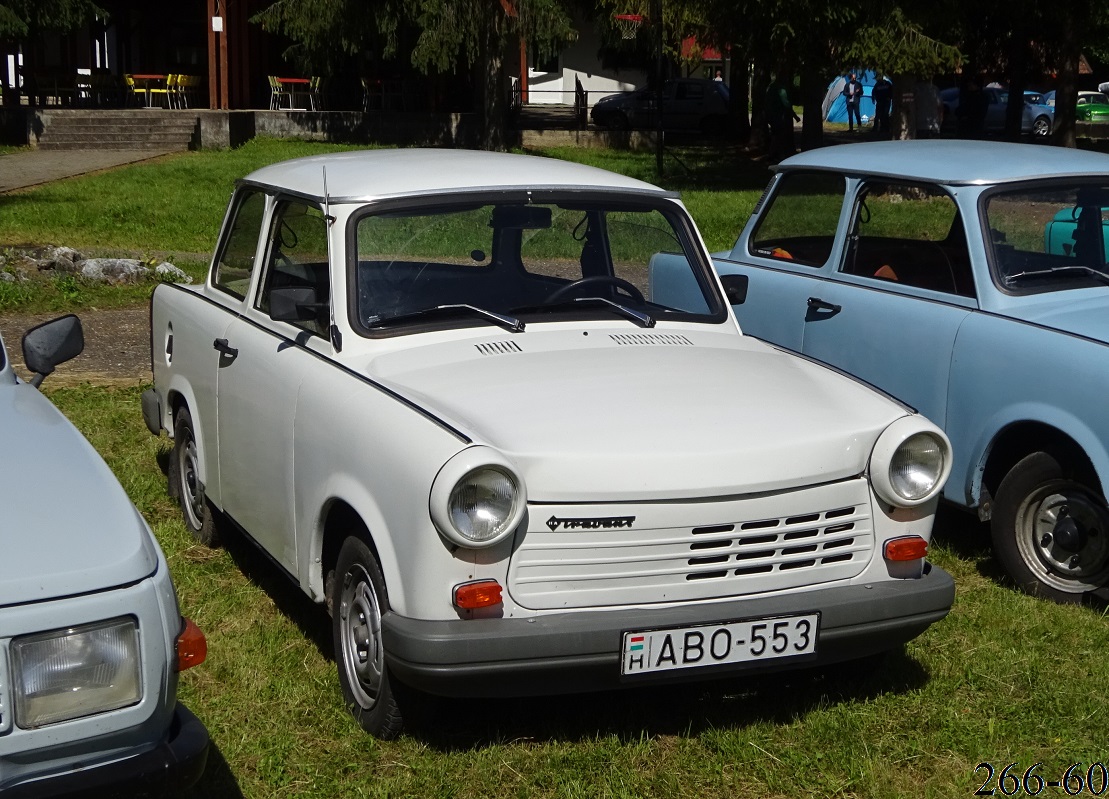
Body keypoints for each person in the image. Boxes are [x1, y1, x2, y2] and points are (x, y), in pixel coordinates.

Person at [766, 77, 801, 161]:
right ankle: (777, 155)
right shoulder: (781, 89)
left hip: (770, 114)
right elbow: (786, 103)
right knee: (779, 135)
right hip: (778, 115)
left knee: (775, 135)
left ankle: (773, 154)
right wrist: (795, 116)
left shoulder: (771, 87)